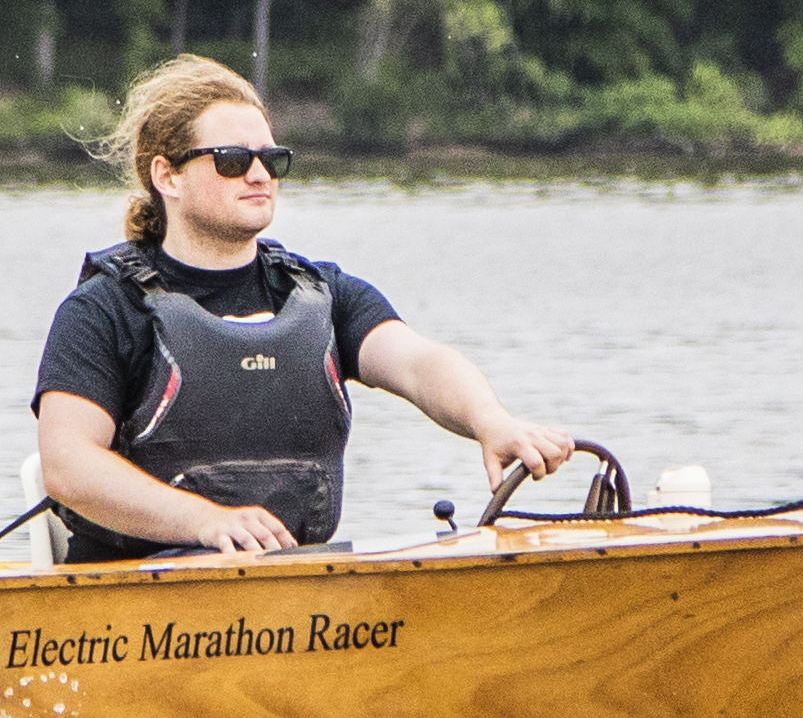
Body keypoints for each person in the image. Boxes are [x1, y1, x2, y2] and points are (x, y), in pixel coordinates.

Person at [32, 56, 572, 560]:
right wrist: (205, 522)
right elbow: (67, 465)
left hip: (296, 589)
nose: (260, 175)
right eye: (232, 160)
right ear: (166, 176)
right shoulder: (102, 310)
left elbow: (417, 363)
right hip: (139, 606)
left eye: (271, 159)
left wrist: (491, 421)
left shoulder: (319, 292)